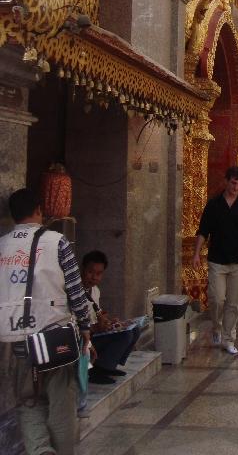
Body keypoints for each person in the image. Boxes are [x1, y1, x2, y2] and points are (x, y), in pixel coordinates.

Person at [0, 188, 92, 455]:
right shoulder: (56, 241)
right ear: (39, 211)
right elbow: (75, 289)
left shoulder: (3, 245)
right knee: (61, 403)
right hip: (55, 336)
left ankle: (41, 450)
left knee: (28, 401)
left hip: (17, 339)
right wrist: (85, 326)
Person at [193, 165, 238, 355]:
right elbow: (203, 230)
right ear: (226, 181)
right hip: (217, 260)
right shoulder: (213, 205)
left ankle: (229, 338)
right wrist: (197, 253)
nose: (235, 187)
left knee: (234, 303)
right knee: (217, 299)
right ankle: (216, 326)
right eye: (233, 183)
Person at [81, 250, 141, 385]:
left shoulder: (95, 291)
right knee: (125, 336)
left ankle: (109, 366)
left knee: (134, 330)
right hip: (83, 338)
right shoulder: (74, 292)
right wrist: (95, 328)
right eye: (91, 272)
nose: (94, 277)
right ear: (82, 268)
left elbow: (97, 315)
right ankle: (96, 370)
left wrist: (109, 323)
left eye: (99, 274)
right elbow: (73, 323)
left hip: (94, 333)